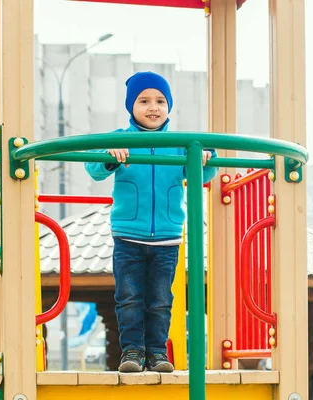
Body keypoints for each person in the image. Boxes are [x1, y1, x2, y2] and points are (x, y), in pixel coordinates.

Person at [84, 71, 219, 373]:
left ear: (169, 106)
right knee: (129, 297)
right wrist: (110, 156)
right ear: (131, 107)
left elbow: (205, 174)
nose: (152, 107)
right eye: (143, 101)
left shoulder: (182, 144)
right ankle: (132, 352)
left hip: (167, 238)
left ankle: (158, 353)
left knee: (160, 299)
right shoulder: (121, 139)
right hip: (129, 236)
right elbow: (93, 168)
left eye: (160, 100)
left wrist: (207, 159)